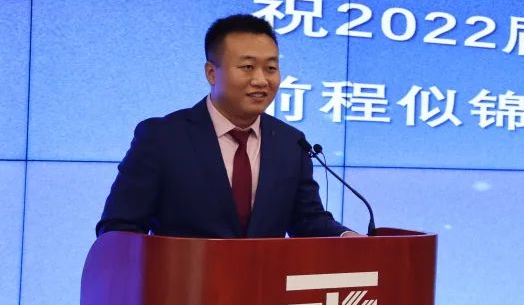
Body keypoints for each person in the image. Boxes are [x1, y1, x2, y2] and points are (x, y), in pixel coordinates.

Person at [97, 14, 358, 238]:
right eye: (247, 67)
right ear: (212, 73)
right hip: (183, 281)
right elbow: (119, 227)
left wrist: (347, 238)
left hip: (265, 281)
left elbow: (307, 219)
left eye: (271, 68)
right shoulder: (163, 138)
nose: (261, 80)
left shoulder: (291, 142)